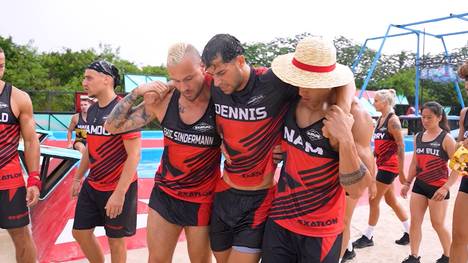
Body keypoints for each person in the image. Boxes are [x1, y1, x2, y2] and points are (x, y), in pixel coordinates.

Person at [201, 34, 356, 263]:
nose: (216, 81)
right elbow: (187, 89)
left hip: (264, 199)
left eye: (221, 73)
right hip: (226, 193)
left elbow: (344, 79)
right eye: (212, 75)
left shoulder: (274, 83)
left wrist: (342, 115)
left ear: (241, 61)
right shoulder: (215, 85)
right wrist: (219, 137)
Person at [259, 36, 372, 263]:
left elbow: (358, 189)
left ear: (329, 80)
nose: (302, 90)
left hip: (322, 232)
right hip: (281, 221)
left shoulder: (356, 117)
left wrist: (345, 138)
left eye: (309, 83)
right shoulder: (291, 98)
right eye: (299, 80)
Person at [105, 43, 221, 263]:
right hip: (165, 195)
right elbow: (112, 126)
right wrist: (137, 92)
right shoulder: (165, 100)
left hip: (202, 199)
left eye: (189, 78)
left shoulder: (219, 97)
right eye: (176, 80)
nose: (183, 86)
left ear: (203, 67)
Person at [71, 60, 141, 263]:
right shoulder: (91, 111)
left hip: (118, 187)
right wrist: (77, 178)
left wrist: (119, 194)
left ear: (106, 80)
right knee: (80, 232)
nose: (84, 82)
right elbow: (88, 148)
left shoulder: (123, 111)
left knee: (115, 241)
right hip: (93, 184)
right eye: (84, 78)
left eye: (89, 77)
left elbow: (134, 155)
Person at [400, 101, 458, 263]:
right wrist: (407, 182)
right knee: (415, 222)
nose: (425, 121)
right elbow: (414, 163)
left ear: (439, 117)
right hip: (420, 185)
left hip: (438, 188)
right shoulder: (418, 136)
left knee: (437, 224)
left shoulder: (446, 139)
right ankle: (414, 256)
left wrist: (446, 187)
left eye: (429, 117)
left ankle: (448, 255)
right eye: (423, 117)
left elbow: (458, 166)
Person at [352, 89, 410, 249]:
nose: (373, 103)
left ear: (385, 103)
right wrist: (370, 160)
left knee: (373, 199)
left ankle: (368, 236)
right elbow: (378, 147)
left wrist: (402, 171)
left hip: (389, 167)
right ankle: (410, 231)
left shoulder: (393, 121)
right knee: (391, 200)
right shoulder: (380, 119)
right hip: (382, 165)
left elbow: (401, 146)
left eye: (376, 100)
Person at [0, 46, 41, 262]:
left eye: (2, 65)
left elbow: (31, 140)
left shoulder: (18, 97)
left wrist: (34, 178)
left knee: (22, 236)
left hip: (9, 182)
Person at [451, 60, 468, 263]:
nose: (466, 85)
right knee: (460, 236)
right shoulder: (465, 113)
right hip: (466, 178)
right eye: (465, 80)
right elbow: (459, 155)